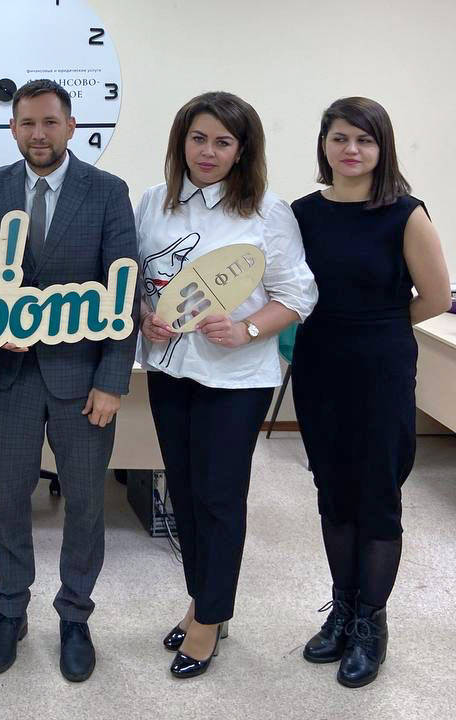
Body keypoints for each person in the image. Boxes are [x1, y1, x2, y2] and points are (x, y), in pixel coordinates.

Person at [137, 91, 317, 678]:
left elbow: (299, 294)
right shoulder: (154, 202)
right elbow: (137, 281)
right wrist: (144, 315)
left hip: (236, 379)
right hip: (170, 370)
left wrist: (246, 329)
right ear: (181, 142)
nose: (208, 152)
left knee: (218, 496)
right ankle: (203, 602)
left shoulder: (267, 211)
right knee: (184, 491)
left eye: (222, 142)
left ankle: (210, 620)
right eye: (198, 138)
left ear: (242, 151)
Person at [0, 79, 139, 683]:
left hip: (84, 379)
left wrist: (113, 379)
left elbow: (124, 289)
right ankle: (10, 609)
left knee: (86, 504)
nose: (38, 134)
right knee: (8, 500)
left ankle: (74, 615)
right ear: (13, 128)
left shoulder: (107, 191)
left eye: (49, 122)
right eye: (27, 123)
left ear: (71, 126)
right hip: (12, 378)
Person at [291, 97, 450, 688]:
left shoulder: (405, 214)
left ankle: (370, 624)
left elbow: (435, 297)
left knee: (377, 495)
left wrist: (377, 325)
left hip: (381, 368)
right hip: (318, 366)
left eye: (364, 139)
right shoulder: (301, 213)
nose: (351, 150)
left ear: (383, 148)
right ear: (324, 145)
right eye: (339, 138)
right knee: (333, 491)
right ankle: (343, 609)